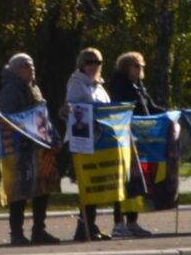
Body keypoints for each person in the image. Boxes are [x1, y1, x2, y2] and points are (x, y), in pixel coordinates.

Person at [0, 53, 59, 245]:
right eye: (27, 65)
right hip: (20, 149)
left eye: (32, 65)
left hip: (39, 147)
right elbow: (8, 118)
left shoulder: (34, 88)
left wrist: (53, 136)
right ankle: (16, 233)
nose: (31, 68)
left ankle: (39, 230)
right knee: (20, 191)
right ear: (16, 70)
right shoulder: (10, 90)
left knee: (42, 188)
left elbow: (43, 115)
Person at [107, 50, 158, 238]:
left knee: (137, 181)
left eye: (142, 66)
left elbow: (150, 107)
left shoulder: (139, 86)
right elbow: (121, 108)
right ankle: (118, 223)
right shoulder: (120, 84)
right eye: (136, 66)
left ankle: (133, 222)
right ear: (126, 67)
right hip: (124, 138)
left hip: (140, 138)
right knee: (124, 180)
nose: (140, 69)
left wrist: (173, 113)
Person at [66, 47, 111, 242]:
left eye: (97, 62)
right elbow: (74, 109)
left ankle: (90, 225)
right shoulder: (77, 84)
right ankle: (84, 227)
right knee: (87, 185)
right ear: (82, 64)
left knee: (96, 186)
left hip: (99, 141)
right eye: (89, 62)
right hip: (82, 142)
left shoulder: (99, 86)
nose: (93, 66)